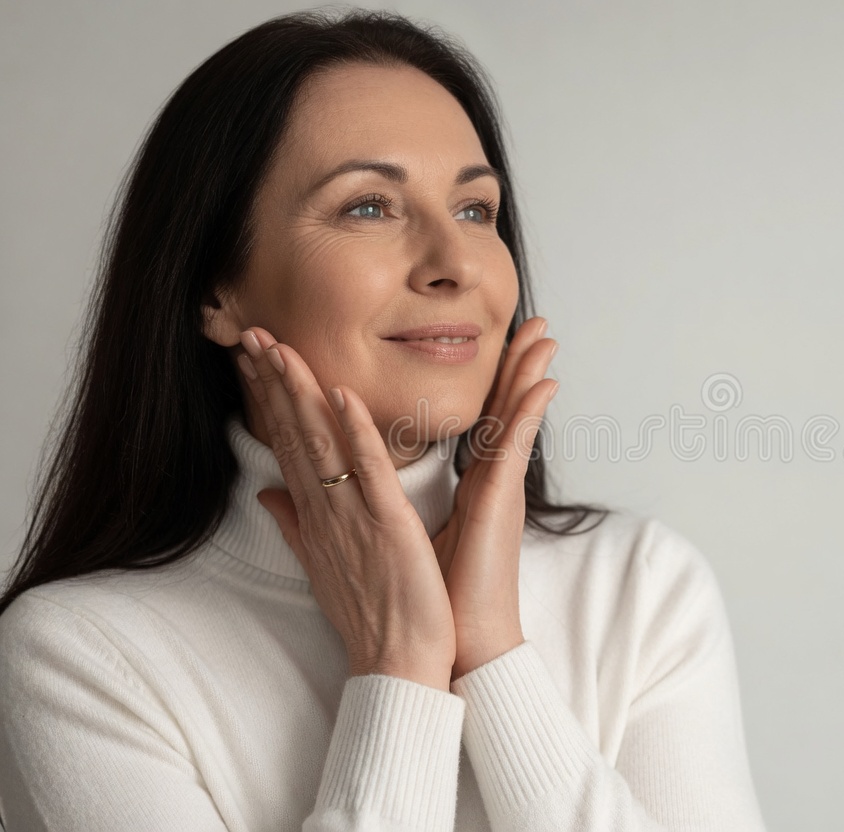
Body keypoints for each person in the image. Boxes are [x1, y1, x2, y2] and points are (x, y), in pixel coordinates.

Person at [0, 9, 767, 831]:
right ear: (213, 290)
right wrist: (399, 666)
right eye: (369, 206)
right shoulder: (77, 655)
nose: (455, 263)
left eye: (476, 210)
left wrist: (494, 656)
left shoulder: (639, 588)